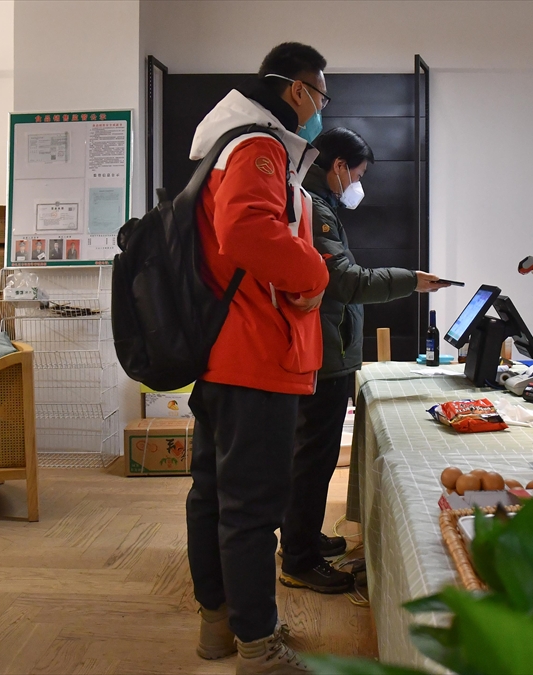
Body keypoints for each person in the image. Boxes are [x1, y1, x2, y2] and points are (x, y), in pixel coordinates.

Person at [185, 42, 331, 675]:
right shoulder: (259, 146)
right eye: (321, 95)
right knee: (251, 509)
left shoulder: (222, 144)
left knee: (214, 497)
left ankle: (219, 625)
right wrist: (314, 272)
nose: (320, 109)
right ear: (298, 90)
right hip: (256, 353)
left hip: (223, 352)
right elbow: (247, 231)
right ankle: (258, 646)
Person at [279, 127, 448, 594]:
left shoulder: (316, 201)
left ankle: (301, 538)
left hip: (326, 348)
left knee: (310, 456)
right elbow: (347, 281)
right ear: (338, 166)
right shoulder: (317, 207)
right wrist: (410, 280)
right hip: (324, 354)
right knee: (313, 459)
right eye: (358, 173)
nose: (358, 183)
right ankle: (299, 559)